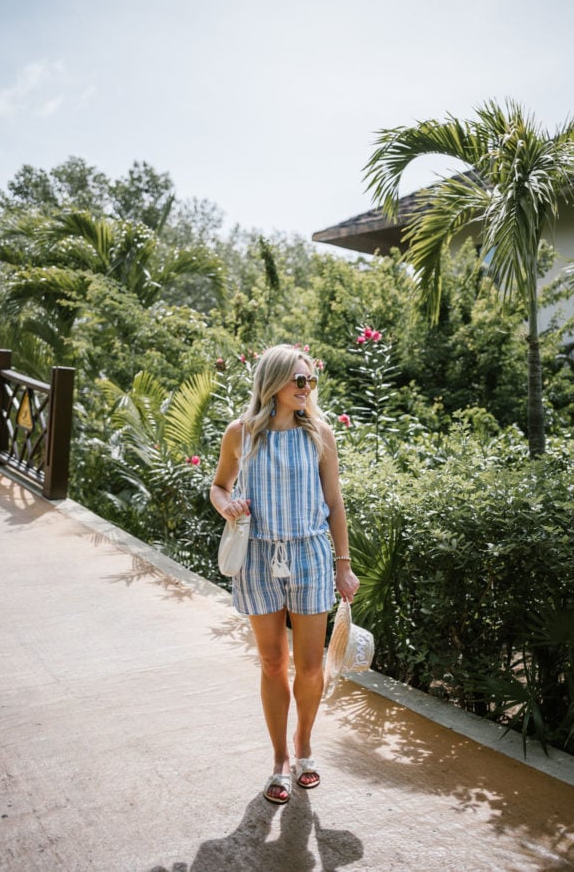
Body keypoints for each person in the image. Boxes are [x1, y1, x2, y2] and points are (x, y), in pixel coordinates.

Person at [210, 344, 360, 805]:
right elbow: (218, 486)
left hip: (311, 557)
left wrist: (343, 564)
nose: (307, 387)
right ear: (273, 382)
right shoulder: (241, 434)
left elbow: (334, 504)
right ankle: (279, 760)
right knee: (274, 663)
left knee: (311, 666)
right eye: (299, 380)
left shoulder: (319, 433)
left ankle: (305, 746)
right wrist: (226, 504)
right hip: (257, 557)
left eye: (311, 380)